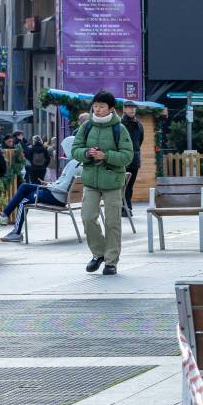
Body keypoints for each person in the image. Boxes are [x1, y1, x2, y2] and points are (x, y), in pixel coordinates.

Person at [72, 91, 133, 275]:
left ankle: (111, 261)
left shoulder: (119, 129)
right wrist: (86, 153)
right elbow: (75, 149)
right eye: (95, 106)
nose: (97, 110)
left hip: (113, 182)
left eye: (101, 106)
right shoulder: (87, 126)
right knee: (88, 217)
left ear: (111, 109)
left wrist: (106, 156)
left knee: (112, 223)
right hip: (91, 180)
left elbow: (128, 156)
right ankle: (98, 254)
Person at [0, 154, 82, 242]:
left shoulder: (74, 164)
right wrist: (49, 184)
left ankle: (15, 232)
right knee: (25, 186)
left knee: (23, 201)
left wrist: (48, 186)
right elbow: (62, 184)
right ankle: (5, 214)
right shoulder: (79, 163)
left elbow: (63, 188)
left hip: (56, 196)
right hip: (57, 194)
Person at [120, 100, 144, 217]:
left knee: (130, 185)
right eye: (129, 108)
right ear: (124, 109)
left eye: (133, 108)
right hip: (123, 160)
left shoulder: (139, 125)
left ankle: (127, 207)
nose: (131, 110)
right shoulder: (120, 124)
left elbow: (139, 142)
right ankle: (125, 208)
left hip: (134, 159)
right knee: (122, 185)